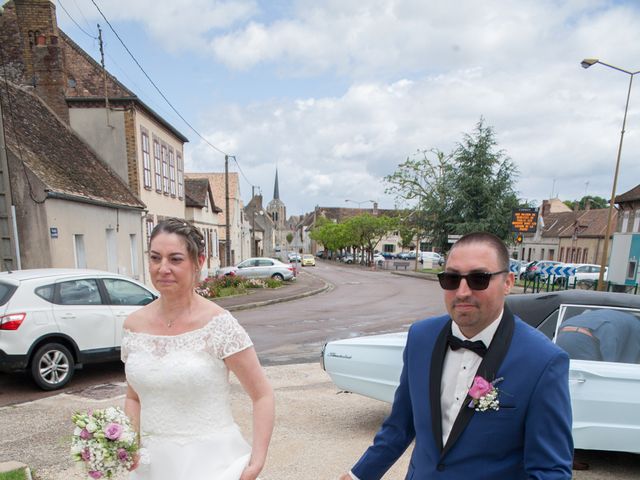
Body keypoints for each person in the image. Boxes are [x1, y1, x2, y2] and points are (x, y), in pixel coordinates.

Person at [340, 232, 573, 479]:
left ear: (508, 282)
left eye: (478, 278)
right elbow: (400, 425)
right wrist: (359, 475)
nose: (462, 292)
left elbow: (550, 471)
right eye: (451, 278)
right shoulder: (421, 337)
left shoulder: (543, 361)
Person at [122, 218, 274, 480]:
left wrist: (257, 460)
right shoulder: (133, 325)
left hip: (210, 464)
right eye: (156, 258)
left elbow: (262, 395)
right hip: (149, 466)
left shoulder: (219, 325)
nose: (163, 268)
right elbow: (133, 397)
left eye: (176, 259)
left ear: (198, 263)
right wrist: (129, 444)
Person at [556, 308, 640, 363]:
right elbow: (627, 362)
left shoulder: (622, 318)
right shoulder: (636, 326)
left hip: (564, 331)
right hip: (585, 340)